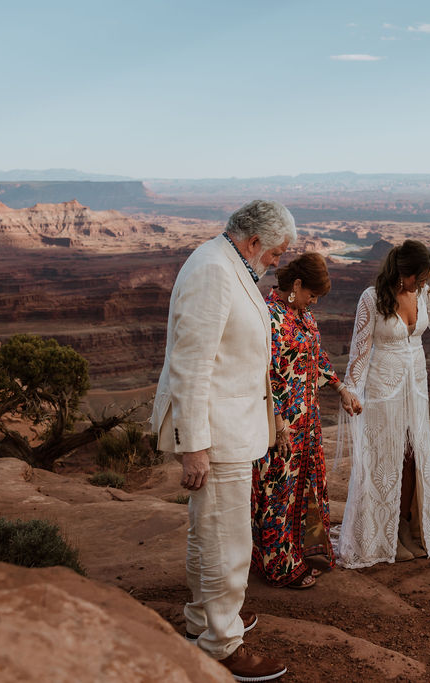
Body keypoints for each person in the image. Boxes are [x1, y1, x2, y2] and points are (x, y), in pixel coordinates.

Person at [151, 199, 296, 681]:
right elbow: (191, 366)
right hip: (216, 432)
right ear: (254, 241)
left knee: (207, 529)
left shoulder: (229, 262)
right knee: (227, 539)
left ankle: (201, 622)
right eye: (276, 251)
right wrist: (194, 444)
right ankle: (221, 645)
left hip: (231, 425)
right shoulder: (214, 270)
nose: (278, 260)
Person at [336, 239, 430, 568]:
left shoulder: (423, 294)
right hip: (381, 390)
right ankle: (379, 538)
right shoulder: (372, 298)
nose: (421, 285)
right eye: (417, 278)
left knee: (411, 460)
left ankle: (403, 529)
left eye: (424, 279)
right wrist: (350, 389)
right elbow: (360, 348)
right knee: (383, 459)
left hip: (415, 387)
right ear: (401, 272)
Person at [251, 252, 361, 589]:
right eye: (311, 294)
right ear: (296, 285)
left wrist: (341, 388)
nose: (313, 301)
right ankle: (278, 566)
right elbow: (261, 374)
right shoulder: (270, 318)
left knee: (303, 490)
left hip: (307, 423)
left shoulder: (302, 314)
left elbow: (317, 356)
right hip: (279, 425)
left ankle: (298, 552)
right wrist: (279, 422)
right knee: (277, 494)